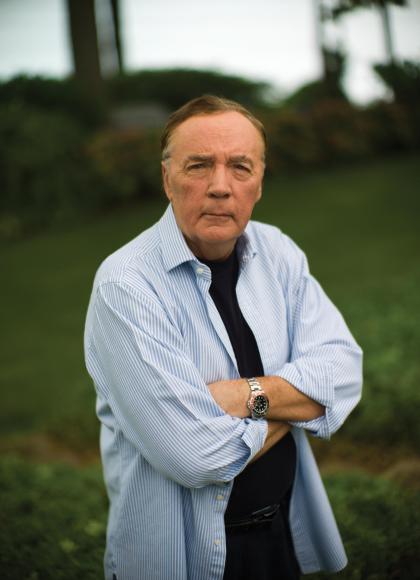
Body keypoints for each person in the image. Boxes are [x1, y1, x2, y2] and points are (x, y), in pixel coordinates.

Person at [84, 95, 363, 580]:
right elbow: (196, 457)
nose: (219, 186)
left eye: (240, 166)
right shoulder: (125, 286)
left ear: (260, 181)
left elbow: (343, 373)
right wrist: (294, 405)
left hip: (281, 535)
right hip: (180, 556)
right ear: (167, 178)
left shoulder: (278, 252)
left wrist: (244, 396)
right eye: (198, 166)